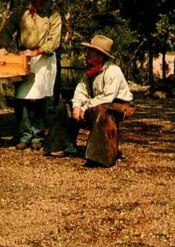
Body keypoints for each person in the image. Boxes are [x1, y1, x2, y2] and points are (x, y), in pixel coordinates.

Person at [47, 34, 135, 167]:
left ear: (100, 56)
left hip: (119, 105)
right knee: (64, 107)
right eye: (87, 52)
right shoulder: (90, 71)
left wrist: (85, 107)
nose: (86, 55)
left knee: (102, 111)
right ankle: (63, 146)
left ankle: (99, 156)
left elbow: (108, 97)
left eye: (91, 52)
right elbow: (81, 91)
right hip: (96, 103)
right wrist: (77, 106)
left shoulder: (113, 71)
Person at [0, 0, 61, 150]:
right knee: (21, 98)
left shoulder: (53, 15)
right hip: (23, 58)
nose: (41, 2)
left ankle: (37, 136)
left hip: (44, 59)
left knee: (42, 99)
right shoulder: (21, 12)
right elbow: (7, 29)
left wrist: (36, 52)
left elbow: (53, 41)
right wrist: (2, 46)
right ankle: (25, 134)